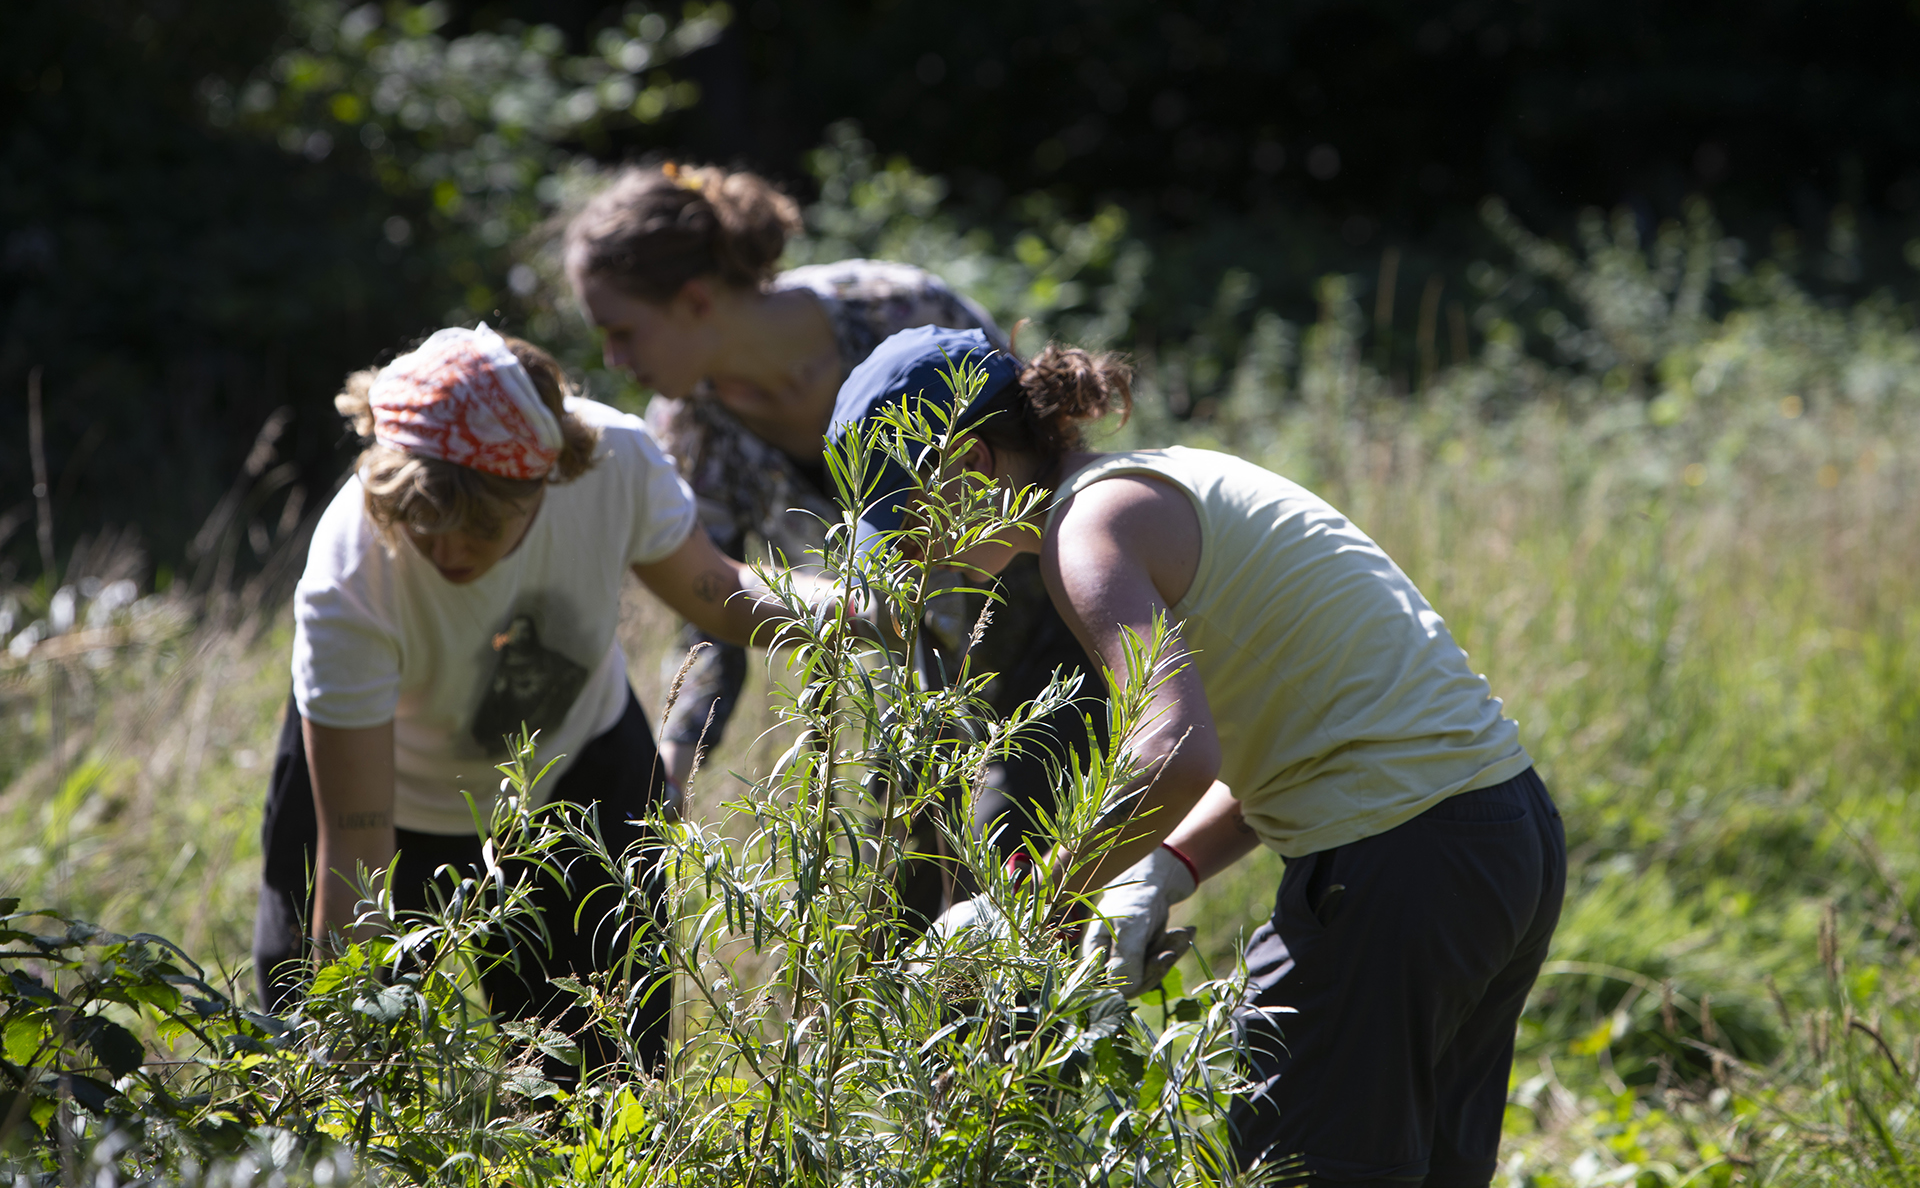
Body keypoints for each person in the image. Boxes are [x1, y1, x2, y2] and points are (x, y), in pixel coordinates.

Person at [830, 327, 1567, 1185]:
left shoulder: (1086, 532)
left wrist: (1027, 909)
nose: (908, 552)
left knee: (1290, 1166)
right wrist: (1164, 868)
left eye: (906, 515)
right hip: (1499, 837)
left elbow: (1174, 751)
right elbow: (1314, 737)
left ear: (974, 461)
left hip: (1399, 865)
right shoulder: (1157, 482)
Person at [252, 325, 802, 1077]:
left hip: (573, 777)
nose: (448, 550)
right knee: (322, 1058)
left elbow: (719, 594)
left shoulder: (615, 462)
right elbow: (356, 852)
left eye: (479, 526)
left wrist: (872, 606)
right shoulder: (350, 573)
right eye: (425, 522)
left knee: (603, 1081)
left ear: (546, 482)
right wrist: (343, 1061)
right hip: (387, 804)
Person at [563, 164, 1103, 900]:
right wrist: (676, 756)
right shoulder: (692, 429)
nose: (613, 360)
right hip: (916, 685)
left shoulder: (893, 308)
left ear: (693, 300)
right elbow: (709, 603)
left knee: (1020, 880)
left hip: (1049, 624)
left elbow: (1039, 448)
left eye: (622, 331)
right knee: (914, 917)